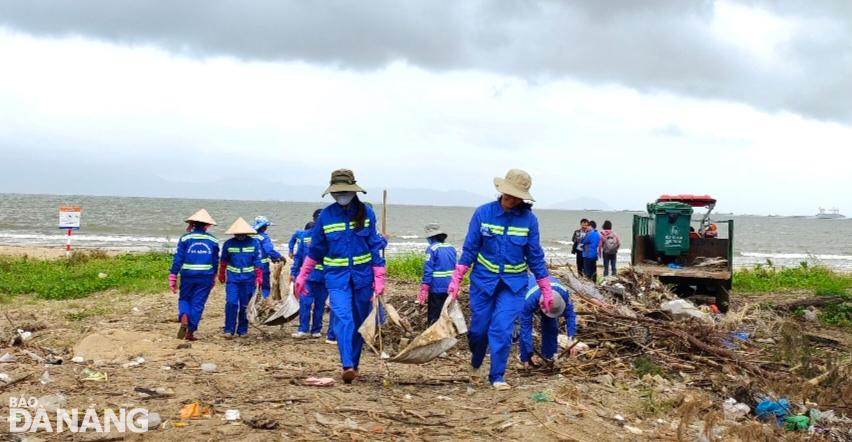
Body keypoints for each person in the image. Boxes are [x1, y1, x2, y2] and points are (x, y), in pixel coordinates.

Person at [448, 169, 553, 391]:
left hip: (514, 285)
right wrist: (456, 279)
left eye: (516, 195)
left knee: (502, 330)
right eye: (508, 193)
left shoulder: (529, 221)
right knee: (478, 330)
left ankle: (497, 376)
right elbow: (470, 249)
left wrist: (546, 289)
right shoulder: (482, 214)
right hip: (483, 281)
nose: (511, 198)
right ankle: (476, 362)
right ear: (501, 190)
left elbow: (535, 256)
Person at [295, 169, 386, 383]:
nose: (341, 195)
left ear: (353, 191)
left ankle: (354, 364)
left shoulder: (367, 214)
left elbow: (373, 246)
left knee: (359, 320)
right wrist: (302, 275)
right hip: (336, 279)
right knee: (343, 318)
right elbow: (316, 249)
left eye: (345, 191)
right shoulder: (326, 216)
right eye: (337, 192)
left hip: (363, 278)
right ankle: (346, 364)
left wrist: (379, 276)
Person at [169, 209, 219, 341]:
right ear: (206, 225)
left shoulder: (185, 238)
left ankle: (184, 317)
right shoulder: (213, 240)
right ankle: (190, 332)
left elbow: (178, 258)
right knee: (198, 303)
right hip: (206, 276)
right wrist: (214, 276)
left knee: (184, 299)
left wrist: (173, 275)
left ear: (193, 224)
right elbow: (215, 260)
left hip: (188, 274)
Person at [519, 274, 578, 368]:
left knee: (551, 327)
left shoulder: (564, 294)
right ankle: (526, 359)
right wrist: (528, 353)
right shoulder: (529, 300)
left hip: (550, 295)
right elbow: (525, 327)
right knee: (525, 331)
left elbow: (571, 315)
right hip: (532, 292)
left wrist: (571, 338)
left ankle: (549, 356)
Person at [218, 217, 263, 338]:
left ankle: (242, 330)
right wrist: (221, 273)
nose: (240, 235)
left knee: (245, 305)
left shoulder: (254, 243)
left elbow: (257, 262)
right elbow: (223, 261)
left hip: (248, 279)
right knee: (231, 303)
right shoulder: (228, 244)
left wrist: (259, 277)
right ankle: (229, 329)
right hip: (233, 279)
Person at [290, 221, 328, 339]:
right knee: (305, 303)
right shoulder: (305, 236)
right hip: (307, 277)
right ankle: (303, 329)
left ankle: (316, 329)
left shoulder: (329, 236)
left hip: (323, 277)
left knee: (319, 304)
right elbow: (298, 256)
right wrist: (294, 272)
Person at [418, 223, 457, 325]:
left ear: (430, 237)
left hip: (436, 287)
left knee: (434, 314)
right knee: (446, 311)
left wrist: (424, 288)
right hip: (450, 286)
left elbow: (428, 270)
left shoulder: (432, 249)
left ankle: (433, 332)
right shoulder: (451, 247)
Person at [251, 215, 286, 299]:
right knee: (265, 287)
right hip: (262, 267)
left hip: (250, 266)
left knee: (252, 286)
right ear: (264, 227)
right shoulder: (264, 237)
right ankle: (263, 301)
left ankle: (251, 302)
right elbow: (268, 250)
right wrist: (279, 256)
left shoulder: (250, 236)